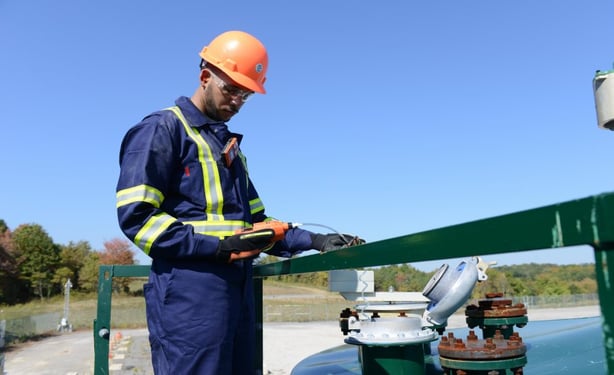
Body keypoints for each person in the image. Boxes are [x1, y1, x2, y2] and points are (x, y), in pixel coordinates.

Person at [115, 30, 363, 375]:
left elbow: (259, 225)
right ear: (205, 77)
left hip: (237, 287)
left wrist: (316, 241)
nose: (236, 101)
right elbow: (137, 218)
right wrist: (215, 248)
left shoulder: (228, 149)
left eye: (245, 95)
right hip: (190, 289)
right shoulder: (163, 130)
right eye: (230, 89)